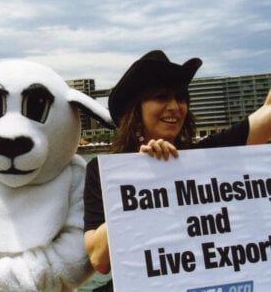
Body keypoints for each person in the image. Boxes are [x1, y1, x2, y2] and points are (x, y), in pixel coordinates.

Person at [83, 49, 271, 292]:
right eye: (161, 97)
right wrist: (145, 182)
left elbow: (267, 116)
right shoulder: (103, 172)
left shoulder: (210, 156)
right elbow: (99, 259)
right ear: (136, 110)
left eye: (181, 98)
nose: (174, 106)